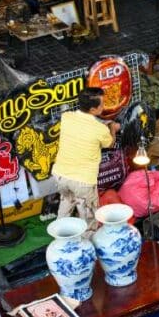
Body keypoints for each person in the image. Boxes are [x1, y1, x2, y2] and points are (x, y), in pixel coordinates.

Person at [52, 88, 119, 223]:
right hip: (83, 182)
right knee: (89, 219)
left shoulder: (67, 117)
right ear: (93, 110)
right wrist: (113, 128)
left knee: (66, 205)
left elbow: (84, 126)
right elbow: (110, 143)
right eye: (102, 104)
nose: (104, 106)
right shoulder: (100, 130)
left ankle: (60, 236)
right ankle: (88, 240)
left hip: (60, 176)